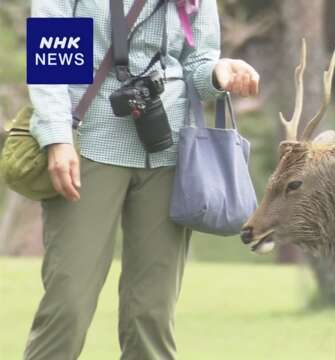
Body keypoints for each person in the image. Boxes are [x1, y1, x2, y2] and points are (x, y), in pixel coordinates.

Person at [25, 0, 259, 359]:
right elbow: (53, 57)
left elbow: (197, 62)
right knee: (67, 305)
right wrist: (57, 137)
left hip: (167, 151)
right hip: (88, 145)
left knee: (152, 314)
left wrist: (218, 72)